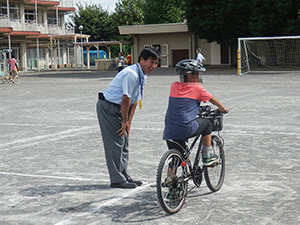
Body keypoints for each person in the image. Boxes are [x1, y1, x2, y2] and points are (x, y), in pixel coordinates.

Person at [97, 48, 161, 189]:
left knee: (124, 141)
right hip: (109, 107)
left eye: (156, 63)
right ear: (142, 60)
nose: (154, 66)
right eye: (152, 62)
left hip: (120, 109)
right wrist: (124, 121)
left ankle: (123, 174)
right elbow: (125, 99)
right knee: (115, 143)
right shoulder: (131, 74)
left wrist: (129, 123)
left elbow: (134, 100)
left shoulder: (143, 75)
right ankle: (116, 179)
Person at [163, 59, 229, 166]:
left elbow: (183, 104)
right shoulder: (198, 89)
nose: (198, 77)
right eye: (197, 74)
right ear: (189, 75)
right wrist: (223, 108)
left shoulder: (174, 86)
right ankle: (207, 156)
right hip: (186, 128)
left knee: (178, 157)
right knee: (207, 124)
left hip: (169, 129)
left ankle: (169, 179)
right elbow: (212, 99)